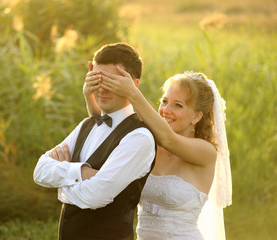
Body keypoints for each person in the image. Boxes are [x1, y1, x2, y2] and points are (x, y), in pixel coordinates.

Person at [83, 69, 232, 240]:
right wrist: (90, 96)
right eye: (165, 101)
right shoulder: (149, 144)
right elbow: (108, 131)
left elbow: (169, 140)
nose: (166, 110)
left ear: (196, 117)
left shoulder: (206, 152)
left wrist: (132, 92)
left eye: (178, 105)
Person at [33, 42, 156, 240]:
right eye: (97, 78)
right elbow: (39, 171)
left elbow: (95, 196)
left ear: (133, 84)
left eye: (111, 81)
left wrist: (60, 178)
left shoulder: (139, 138)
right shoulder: (86, 125)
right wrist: (78, 171)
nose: (102, 88)